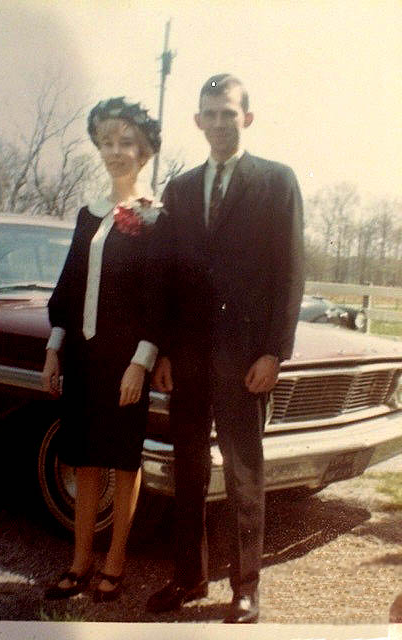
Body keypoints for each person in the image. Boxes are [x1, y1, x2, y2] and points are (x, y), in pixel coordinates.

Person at [145, 73, 305, 622]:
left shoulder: (277, 182)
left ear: (247, 118)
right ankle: (188, 577)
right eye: (210, 113)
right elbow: (169, 276)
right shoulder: (180, 189)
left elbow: (290, 272)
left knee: (242, 472)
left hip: (246, 359)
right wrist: (165, 352)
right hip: (187, 359)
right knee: (188, 471)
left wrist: (274, 352)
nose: (219, 123)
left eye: (228, 113)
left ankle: (245, 587)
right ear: (197, 120)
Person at [41, 97, 162, 602]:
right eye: (107, 142)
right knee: (84, 458)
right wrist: (55, 347)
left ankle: (115, 564)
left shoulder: (154, 217)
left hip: (125, 361)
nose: (115, 151)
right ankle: (79, 561)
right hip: (84, 358)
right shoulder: (87, 214)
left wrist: (142, 362)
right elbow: (70, 284)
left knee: (122, 461)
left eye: (126, 143)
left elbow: (159, 296)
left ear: (145, 151)